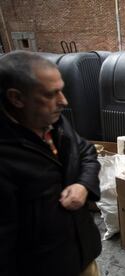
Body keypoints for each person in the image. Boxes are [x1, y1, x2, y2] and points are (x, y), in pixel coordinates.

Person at [0, 51, 102, 276]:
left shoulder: (55, 122)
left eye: (62, 89)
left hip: (83, 254)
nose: (64, 101)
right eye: (51, 94)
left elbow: (86, 152)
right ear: (16, 98)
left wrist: (83, 185)